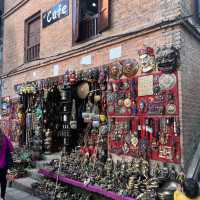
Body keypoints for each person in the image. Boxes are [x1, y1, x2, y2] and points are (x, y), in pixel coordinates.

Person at [0, 128, 13, 200]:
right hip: (3, 165)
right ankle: (2, 197)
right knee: (3, 182)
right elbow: (11, 148)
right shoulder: (5, 138)